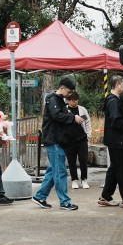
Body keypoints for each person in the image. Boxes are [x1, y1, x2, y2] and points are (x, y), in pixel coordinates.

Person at [32, 77, 83, 211]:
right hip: (53, 140)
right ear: (63, 88)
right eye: (69, 92)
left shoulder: (59, 100)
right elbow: (56, 116)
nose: (70, 95)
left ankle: (40, 196)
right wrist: (73, 117)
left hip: (58, 140)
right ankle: (65, 202)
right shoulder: (53, 99)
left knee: (52, 172)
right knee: (60, 172)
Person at [98, 75, 123, 209]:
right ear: (117, 85)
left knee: (115, 168)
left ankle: (106, 196)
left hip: (115, 140)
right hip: (118, 140)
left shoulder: (113, 100)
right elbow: (116, 122)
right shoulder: (114, 102)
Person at [63, 91, 91, 189]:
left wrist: (88, 135)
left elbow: (87, 122)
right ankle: (74, 180)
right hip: (69, 140)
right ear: (68, 100)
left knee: (83, 159)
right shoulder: (65, 110)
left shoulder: (82, 110)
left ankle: (84, 179)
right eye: (72, 100)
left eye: (76, 100)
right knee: (71, 161)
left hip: (82, 139)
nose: (75, 102)